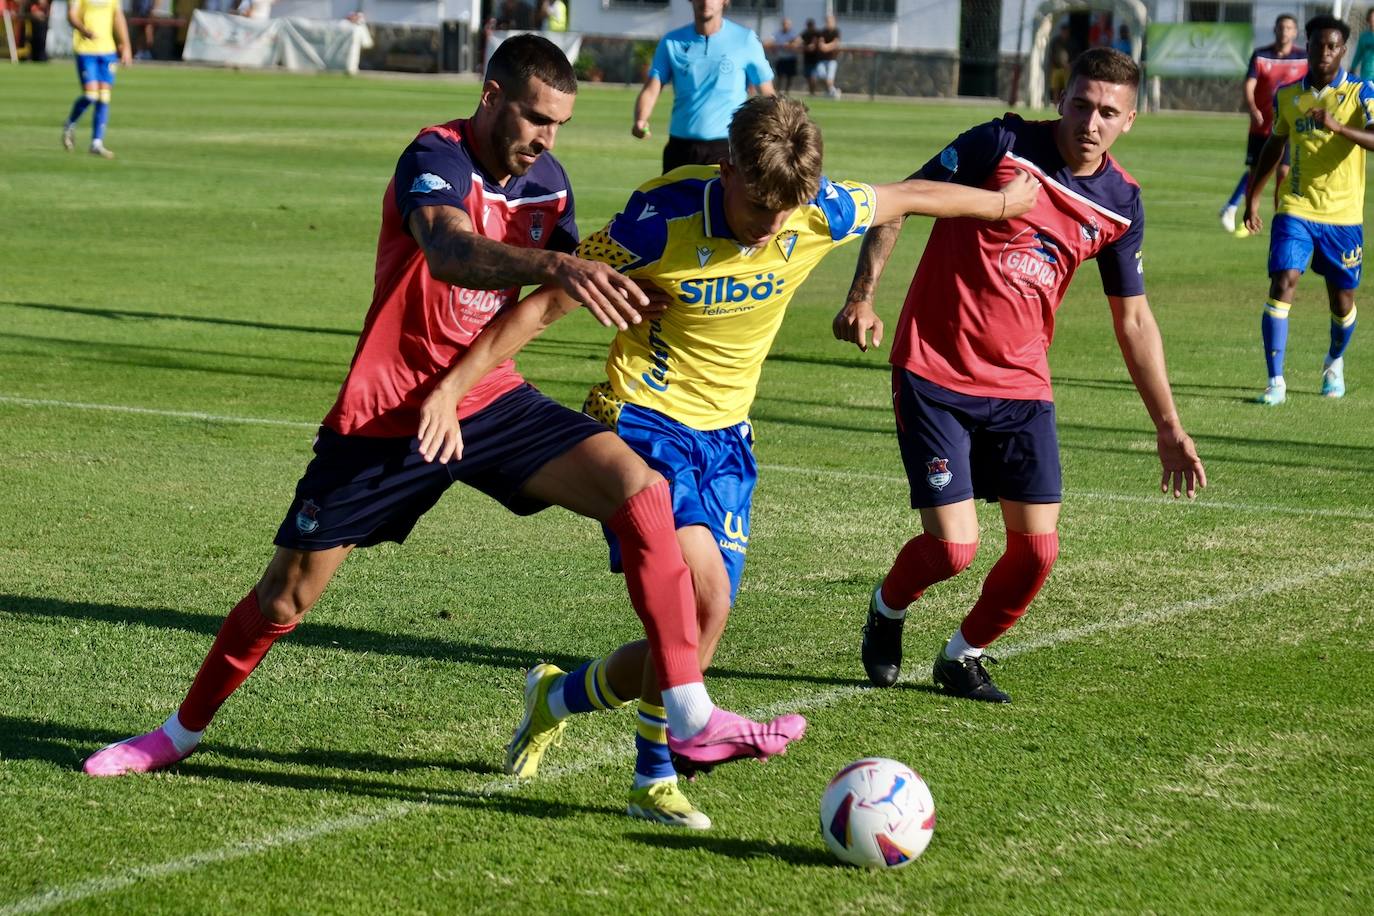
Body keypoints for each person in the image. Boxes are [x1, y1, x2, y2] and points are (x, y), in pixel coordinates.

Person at [81, 34, 804, 780]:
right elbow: (449, 252)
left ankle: (686, 711)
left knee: (642, 491)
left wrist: (627, 291)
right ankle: (176, 733)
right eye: (532, 117)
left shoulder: (550, 182)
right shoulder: (435, 158)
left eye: (558, 123)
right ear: (491, 96)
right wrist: (558, 263)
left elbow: (554, 295)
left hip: (489, 400)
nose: (544, 137)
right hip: (392, 411)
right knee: (284, 597)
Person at [415, 97, 1039, 828]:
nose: (771, 225)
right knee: (694, 593)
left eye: (786, 210)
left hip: (727, 441)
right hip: (643, 418)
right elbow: (552, 301)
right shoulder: (660, 217)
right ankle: (653, 775)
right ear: (727, 167)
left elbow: (909, 195)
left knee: (696, 625)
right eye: (758, 204)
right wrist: (454, 387)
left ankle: (556, 697)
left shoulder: (815, 210)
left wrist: (999, 205)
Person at [834, 48, 1206, 704]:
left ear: (1131, 120)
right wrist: (862, 295)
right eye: (1082, 104)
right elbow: (899, 202)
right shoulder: (999, 144)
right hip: (934, 370)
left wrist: (1170, 426)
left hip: (1021, 388)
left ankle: (963, 655)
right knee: (953, 551)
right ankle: (888, 609)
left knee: (1037, 553)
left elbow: (1136, 321)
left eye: (1109, 112)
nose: (1092, 121)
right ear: (1061, 98)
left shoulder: (1121, 205)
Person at [1243, 15, 1372, 406]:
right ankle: (1275, 382)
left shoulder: (1362, 91)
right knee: (1283, 280)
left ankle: (1334, 362)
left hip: (1344, 217)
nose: (1324, 53)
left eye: (1332, 47)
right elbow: (1272, 148)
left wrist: (1338, 126)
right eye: (1318, 45)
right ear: (1309, 46)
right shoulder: (1287, 95)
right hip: (1296, 207)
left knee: (1342, 302)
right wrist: (1253, 197)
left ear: (1342, 50)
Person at [632, 0, 773, 174]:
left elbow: (768, 95)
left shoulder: (745, 40)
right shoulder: (672, 41)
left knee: (718, 202)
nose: (706, 1)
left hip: (727, 148)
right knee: (676, 201)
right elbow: (652, 88)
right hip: (680, 148)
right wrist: (640, 120)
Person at [1219, 14, 1306, 236]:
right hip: (1261, 126)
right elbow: (1249, 84)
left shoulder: (1303, 58)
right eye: (1281, 27)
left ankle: (1281, 220)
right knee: (1256, 172)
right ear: (1275, 30)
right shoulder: (1261, 55)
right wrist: (1252, 107)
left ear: (1295, 32)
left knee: (1284, 173)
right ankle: (1248, 213)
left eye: (1289, 28)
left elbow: (1308, 88)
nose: (1285, 31)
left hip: (1286, 128)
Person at [62, 0, 131, 159]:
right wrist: (83, 30)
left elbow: (118, 16)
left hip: (107, 50)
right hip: (86, 48)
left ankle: (96, 143)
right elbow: (71, 15)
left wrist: (126, 45)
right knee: (91, 95)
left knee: (104, 97)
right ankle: (69, 124)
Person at [768, 16, 801, 94]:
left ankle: (787, 91)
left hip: (791, 58)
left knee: (790, 76)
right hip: (781, 58)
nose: (786, 26)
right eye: (785, 24)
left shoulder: (793, 33)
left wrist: (789, 45)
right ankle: (778, 91)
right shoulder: (778, 33)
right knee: (780, 76)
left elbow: (798, 42)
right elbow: (771, 42)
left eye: (788, 24)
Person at [814, 13, 841, 99]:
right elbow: (821, 43)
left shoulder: (836, 31)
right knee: (821, 75)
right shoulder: (823, 32)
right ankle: (833, 91)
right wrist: (824, 46)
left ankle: (832, 92)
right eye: (827, 21)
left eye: (830, 21)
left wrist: (826, 47)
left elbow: (835, 43)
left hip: (832, 59)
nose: (829, 23)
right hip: (822, 59)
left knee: (829, 78)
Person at [1047, 23, 1071, 104]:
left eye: (1065, 31)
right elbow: (1051, 54)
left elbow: (1076, 55)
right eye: (1063, 31)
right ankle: (1055, 103)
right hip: (1056, 68)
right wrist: (1052, 65)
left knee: (1067, 88)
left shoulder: (1072, 42)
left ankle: (1066, 103)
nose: (1064, 33)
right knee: (1055, 87)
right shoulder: (1055, 41)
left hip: (1067, 69)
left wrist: (1070, 65)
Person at [800, 18, 819, 95]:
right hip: (807, 58)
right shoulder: (805, 33)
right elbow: (800, 41)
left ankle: (813, 91)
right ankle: (811, 91)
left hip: (815, 58)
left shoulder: (817, 33)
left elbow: (816, 43)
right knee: (808, 75)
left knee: (813, 75)